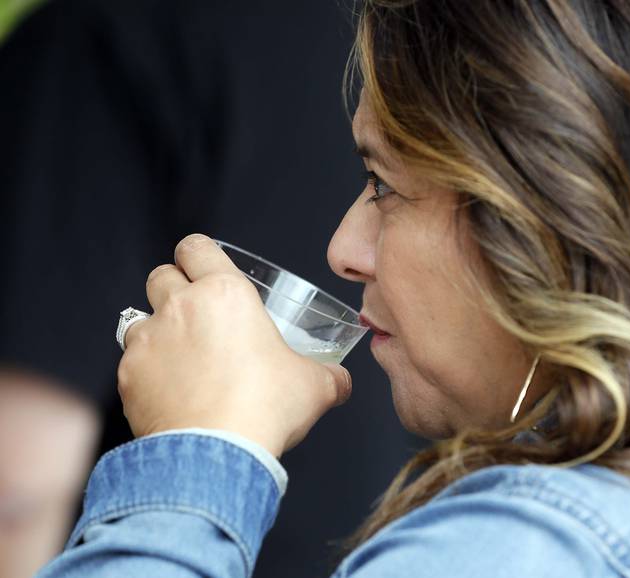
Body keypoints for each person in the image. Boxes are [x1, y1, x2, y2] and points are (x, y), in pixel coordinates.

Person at [35, 0, 630, 576]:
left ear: (550, 212)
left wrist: (196, 451)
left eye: (383, 184)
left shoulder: (502, 553)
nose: (342, 249)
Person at [0, 1, 411, 576]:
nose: (339, 252)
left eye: (384, 187)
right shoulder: (430, 33)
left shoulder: (97, 35)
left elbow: (15, 488)